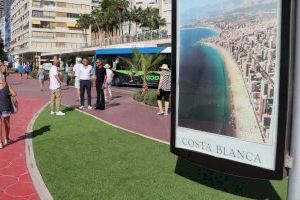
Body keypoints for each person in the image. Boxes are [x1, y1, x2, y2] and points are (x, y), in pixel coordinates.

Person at [0, 72, 17, 149]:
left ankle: (0, 142)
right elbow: (14, 94)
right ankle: (7, 139)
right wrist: (9, 93)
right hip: (5, 106)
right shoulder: (7, 85)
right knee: (7, 123)